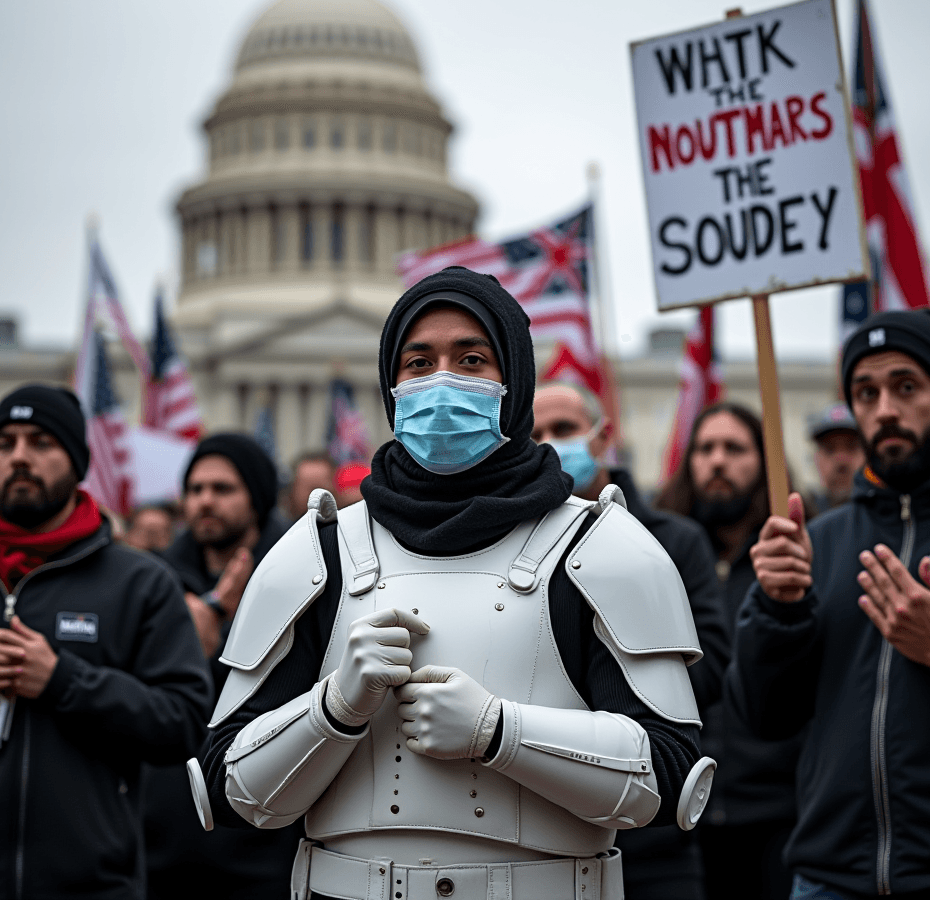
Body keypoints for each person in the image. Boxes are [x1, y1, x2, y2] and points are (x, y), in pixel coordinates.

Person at [199, 268, 712, 900]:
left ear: (515, 379)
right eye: (419, 363)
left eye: (471, 359)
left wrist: (500, 732)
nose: (442, 381)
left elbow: (668, 779)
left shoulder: (603, 548)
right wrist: (333, 708)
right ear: (391, 384)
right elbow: (229, 789)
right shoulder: (318, 551)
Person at [729, 309, 930, 900]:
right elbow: (764, 717)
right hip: (829, 878)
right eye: (865, 393)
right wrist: (779, 611)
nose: (884, 410)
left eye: (906, 387)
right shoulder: (818, 540)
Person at [0, 384, 211, 900]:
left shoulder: (140, 582)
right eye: (5, 443)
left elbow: (184, 722)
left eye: (41, 442)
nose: (20, 457)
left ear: (77, 461)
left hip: (93, 885)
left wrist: (63, 680)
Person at [532, 382, 729, 900]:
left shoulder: (673, 541)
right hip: (549, 841)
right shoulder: (513, 551)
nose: (550, 445)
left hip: (655, 843)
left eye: (564, 430)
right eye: (534, 435)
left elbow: (709, 667)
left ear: (602, 438)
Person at [654, 402, 804, 900]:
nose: (717, 461)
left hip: (778, 818)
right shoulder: (654, 557)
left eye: (734, 448)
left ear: (765, 462)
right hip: (677, 819)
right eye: (704, 448)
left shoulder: (794, 563)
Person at [144, 432, 299, 900]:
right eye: (195, 489)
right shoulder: (154, 582)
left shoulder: (302, 577)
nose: (205, 501)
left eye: (222, 489)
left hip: (268, 846)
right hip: (164, 846)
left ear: (255, 496)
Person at [806, 402, 865, 514]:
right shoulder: (803, 519)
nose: (841, 459)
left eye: (851, 447)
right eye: (830, 449)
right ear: (816, 459)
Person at [286, 451, 337, 520]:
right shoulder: (280, 528)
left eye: (320, 487)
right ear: (293, 490)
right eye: (308, 488)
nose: (314, 496)